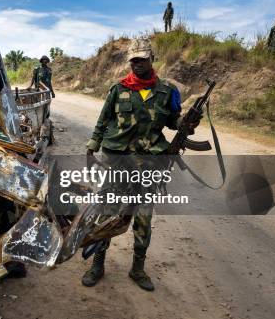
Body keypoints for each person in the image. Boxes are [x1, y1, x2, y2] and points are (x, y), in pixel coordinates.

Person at [82, 38, 198, 292]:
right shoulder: (118, 89)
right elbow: (103, 121)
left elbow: (172, 121)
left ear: (151, 59)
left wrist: (186, 123)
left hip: (149, 163)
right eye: (133, 59)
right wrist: (92, 147)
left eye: (141, 59)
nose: (137, 64)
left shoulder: (167, 91)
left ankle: (137, 268)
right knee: (107, 212)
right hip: (118, 161)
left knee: (143, 216)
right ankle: (97, 264)